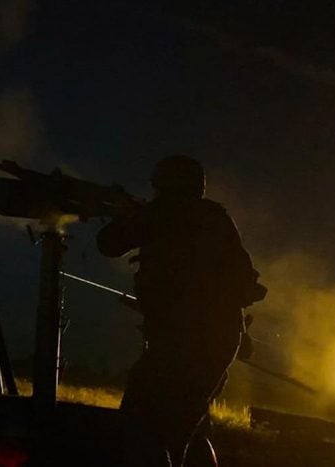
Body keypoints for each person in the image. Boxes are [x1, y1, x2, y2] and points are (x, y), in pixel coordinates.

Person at [97, 155, 266, 467]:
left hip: (180, 342)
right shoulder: (216, 217)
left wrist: (126, 214)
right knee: (186, 430)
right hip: (219, 340)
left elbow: (108, 243)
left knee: (144, 425)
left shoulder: (165, 212)